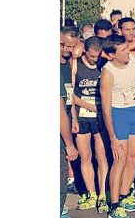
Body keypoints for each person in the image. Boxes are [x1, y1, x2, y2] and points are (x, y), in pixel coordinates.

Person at [99, 35, 135, 218]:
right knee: (120, 159)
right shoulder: (108, 73)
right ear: (111, 55)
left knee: (133, 157)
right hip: (119, 115)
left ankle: (124, 195)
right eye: (123, 51)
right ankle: (114, 206)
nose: (128, 53)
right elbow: (106, 109)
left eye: (127, 48)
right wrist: (112, 138)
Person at [71, 37, 110, 213]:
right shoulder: (76, 64)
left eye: (97, 56)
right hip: (83, 116)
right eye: (92, 56)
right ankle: (91, 193)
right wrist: (89, 107)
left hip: (100, 118)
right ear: (85, 51)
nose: (95, 59)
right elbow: (70, 94)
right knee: (85, 157)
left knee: (101, 157)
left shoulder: (104, 65)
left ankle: (102, 194)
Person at [61, 82, 79, 217]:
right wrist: (69, 145)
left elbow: (70, 99)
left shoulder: (66, 67)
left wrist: (73, 118)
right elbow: (59, 111)